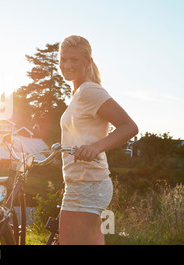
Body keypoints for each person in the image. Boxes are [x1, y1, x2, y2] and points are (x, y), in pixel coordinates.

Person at [58, 35, 138, 245]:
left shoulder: (89, 90)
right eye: (63, 59)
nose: (66, 65)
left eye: (73, 60)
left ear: (88, 61)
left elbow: (129, 127)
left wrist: (95, 147)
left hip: (89, 185)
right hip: (80, 183)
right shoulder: (77, 93)